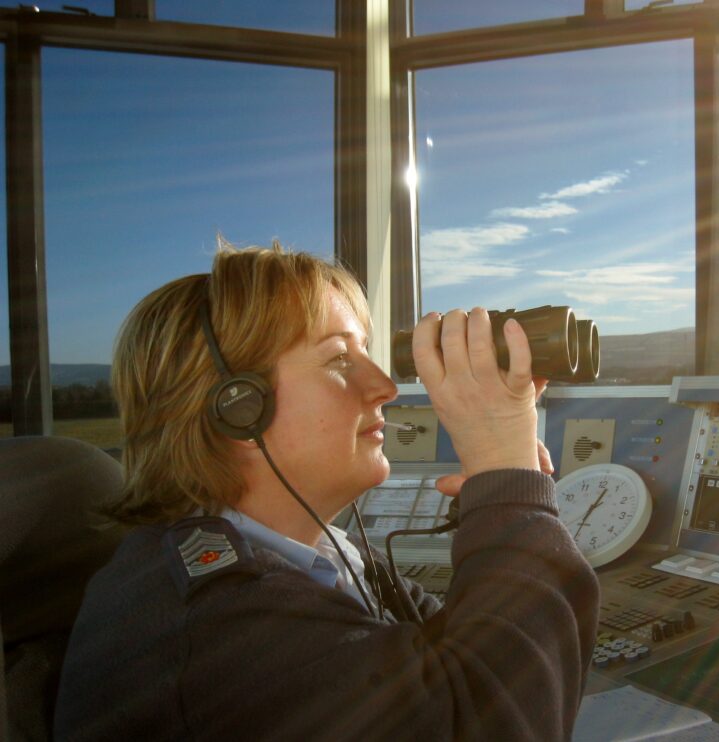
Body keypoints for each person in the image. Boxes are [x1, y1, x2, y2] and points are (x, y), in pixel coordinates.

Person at [54, 241, 600, 741]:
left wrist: (507, 492)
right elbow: (492, 720)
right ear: (236, 410)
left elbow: (466, 653)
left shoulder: (310, 558)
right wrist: (510, 492)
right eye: (341, 358)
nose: (384, 386)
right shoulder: (216, 626)